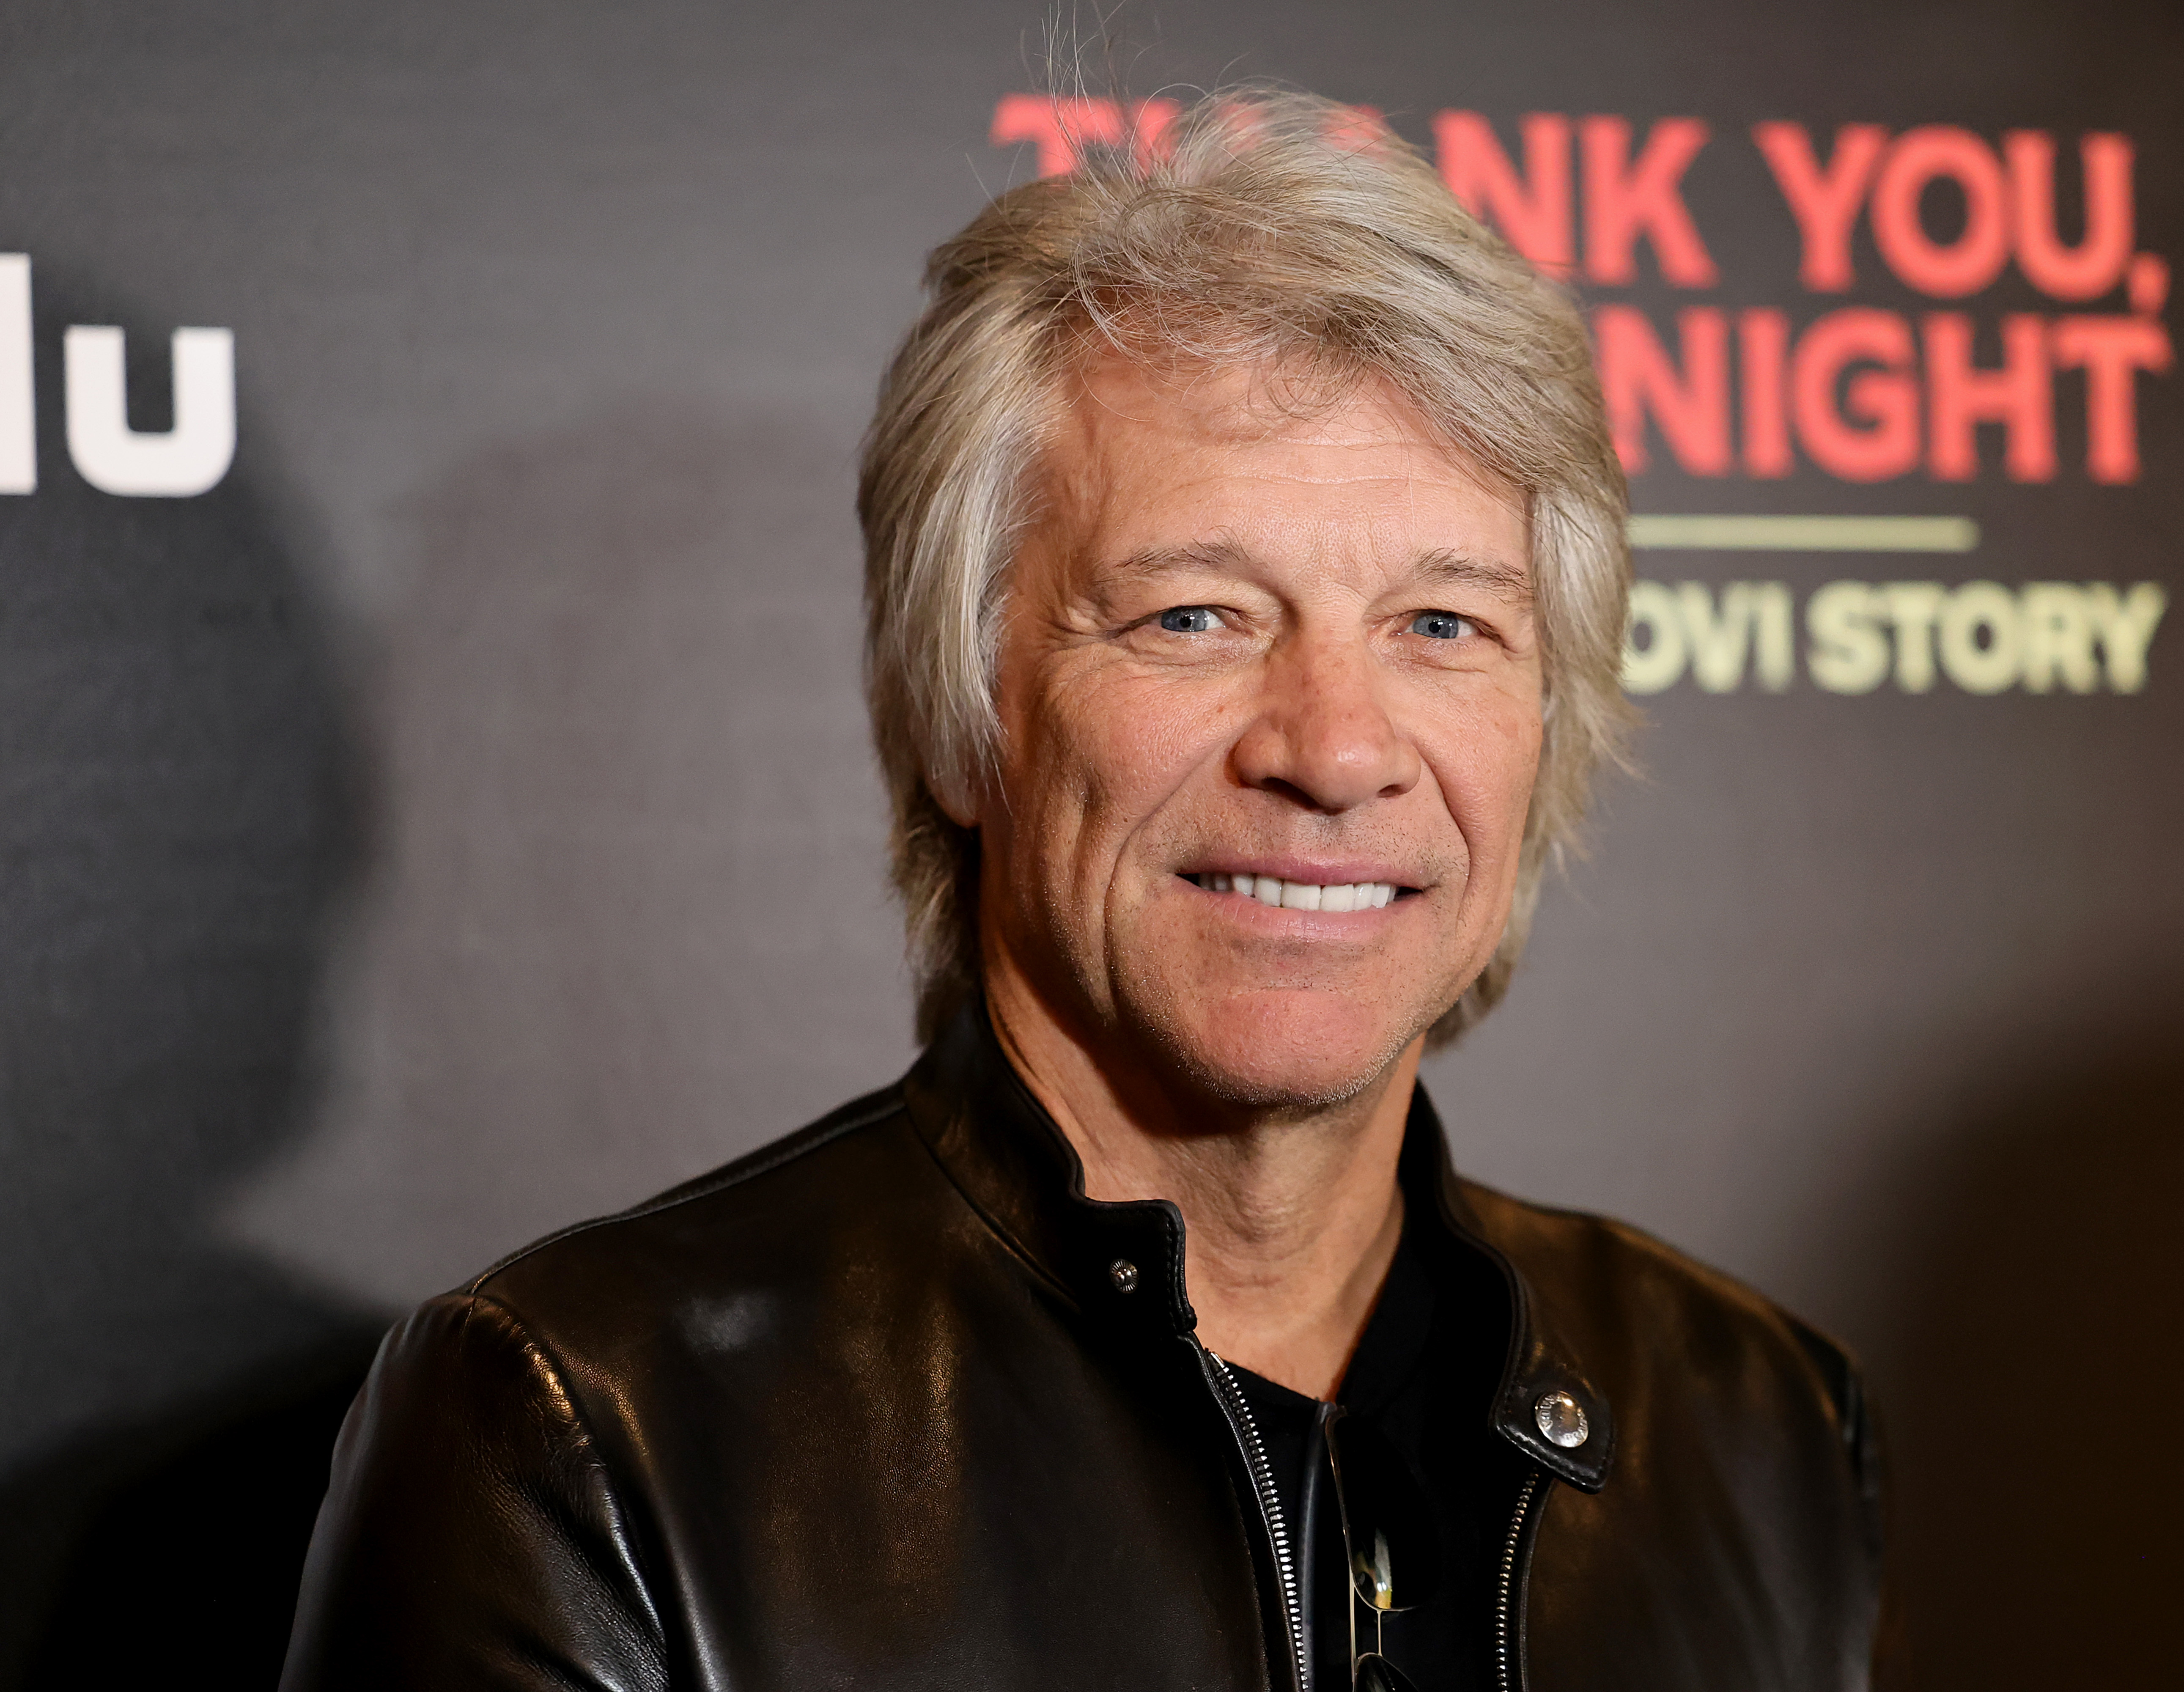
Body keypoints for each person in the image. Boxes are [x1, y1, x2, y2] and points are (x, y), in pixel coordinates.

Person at [281, 90, 1886, 1692]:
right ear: (962, 720)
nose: (1335, 751)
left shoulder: (1758, 1427)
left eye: (1444, 626)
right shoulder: (589, 1443)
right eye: (1195, 616)